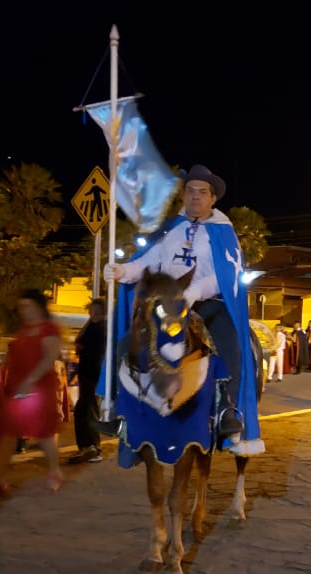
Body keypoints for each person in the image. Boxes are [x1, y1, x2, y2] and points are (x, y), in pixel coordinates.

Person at [102, 164, 263, 456]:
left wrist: (194, 292)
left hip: (209, 303)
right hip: (166, 303)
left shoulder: (223, 231)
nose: (196, 196)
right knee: (129, 339)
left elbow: (226, 274)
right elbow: (149, 262)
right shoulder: (171, 229)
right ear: (184, 195)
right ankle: (118, 406)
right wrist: (123, 270)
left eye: (202, 192)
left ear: (213, 199)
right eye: (191, 190)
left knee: (230, 344)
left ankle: (229, 410)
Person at [0, 289, 64, 496]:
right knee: (8, 433)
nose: (23, 311)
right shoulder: (24, 329)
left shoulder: (49, 329)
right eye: (21, 307)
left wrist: (31, 380)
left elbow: (49, 358)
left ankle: (54, 471)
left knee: (43, 433)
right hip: (17, 388)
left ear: (39, 306)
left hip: (38, 388)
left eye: (28, 306)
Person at [70, 300, 106, 464]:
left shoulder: (98, 327)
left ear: (96, 312)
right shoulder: (94, 326)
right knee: (82, 410)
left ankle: (94, 447)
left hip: (92, 374)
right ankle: (86, 446)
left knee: (90, 410)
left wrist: (80, 346)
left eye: (91, 310)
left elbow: (79, 346)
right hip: (88, 373)